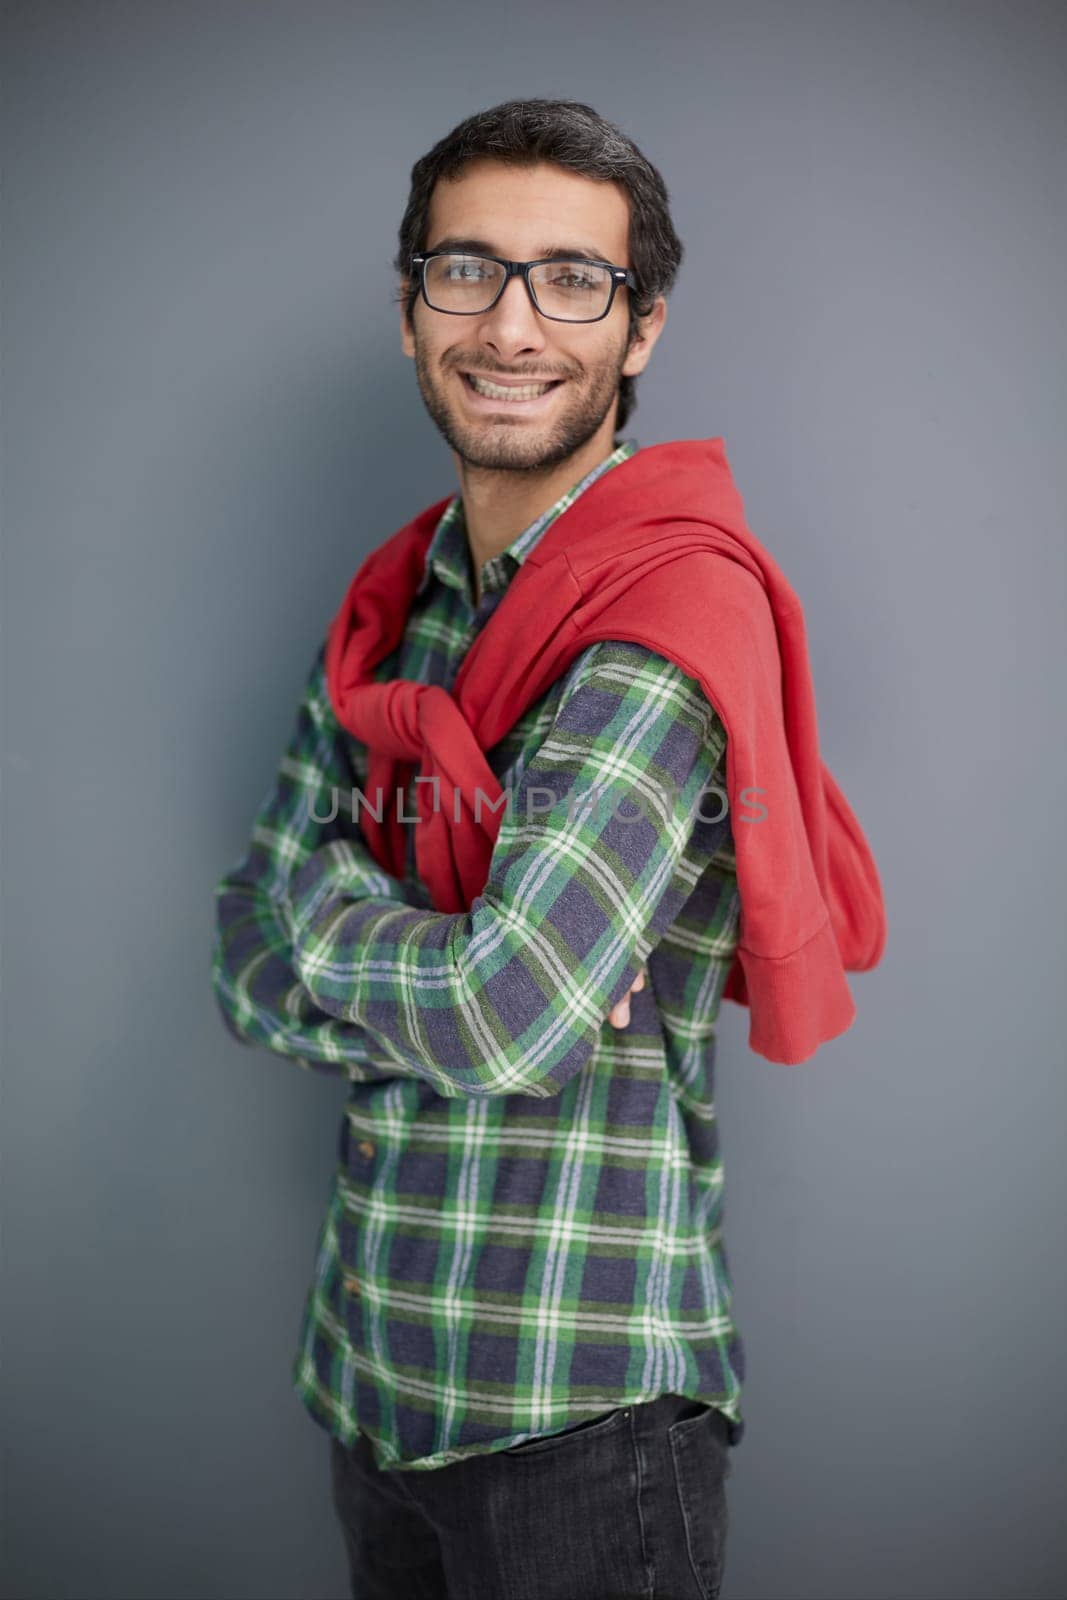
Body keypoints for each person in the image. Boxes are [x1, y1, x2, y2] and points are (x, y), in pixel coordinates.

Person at [213, 97, 776, 1600]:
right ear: (410, 309)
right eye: (468, 271)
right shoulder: (397, 608)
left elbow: (503, 1012)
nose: (514, 324)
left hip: (575, 1408)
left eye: (571, 280)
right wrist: (421, 951)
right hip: (375, 1368)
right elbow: (241, 957)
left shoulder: (660, 634)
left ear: (640, 327)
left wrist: (339, 914)